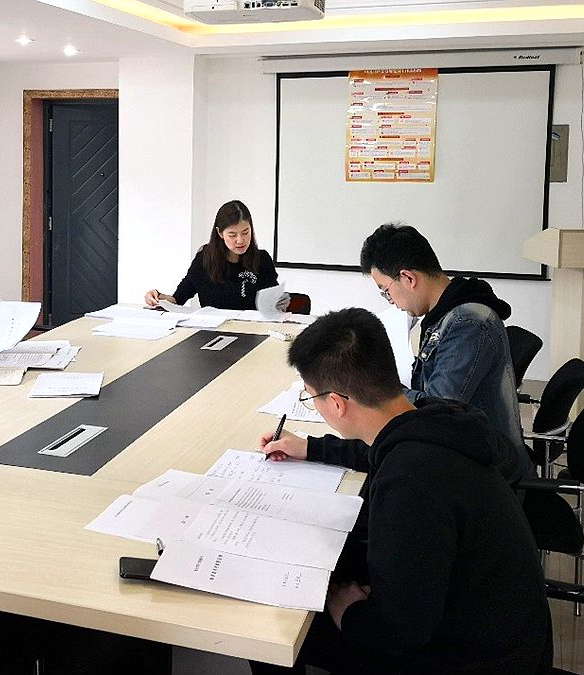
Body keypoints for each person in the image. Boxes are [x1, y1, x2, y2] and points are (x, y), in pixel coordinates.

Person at [253, 309, 551, 674]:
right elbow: (380, 446)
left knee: (273, 627)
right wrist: (312, 447)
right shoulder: (435, 419)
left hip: (475, 660)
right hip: (503, 631)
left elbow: (396, 635)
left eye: (310, 396)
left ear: (336, 403)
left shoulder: (409, 483)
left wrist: (348, 610)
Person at [264, 222, 528, 483]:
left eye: (386, 292)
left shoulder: (468, 324)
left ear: (408, 278)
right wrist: (311, 447)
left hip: (486, 477)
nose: (391, 302)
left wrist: (372, 388)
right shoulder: (444, 315)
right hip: (457, 458)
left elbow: (429, 416)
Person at [144, 200, 282, 311]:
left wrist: (281, 303)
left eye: (245, 232)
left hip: (253, 330)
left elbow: (273, 303)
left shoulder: (262, 260)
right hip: (212, 331)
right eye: (232, 235)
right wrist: (158, 298)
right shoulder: (204, 260)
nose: (240, 240)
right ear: (220, 233)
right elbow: (177, 299)